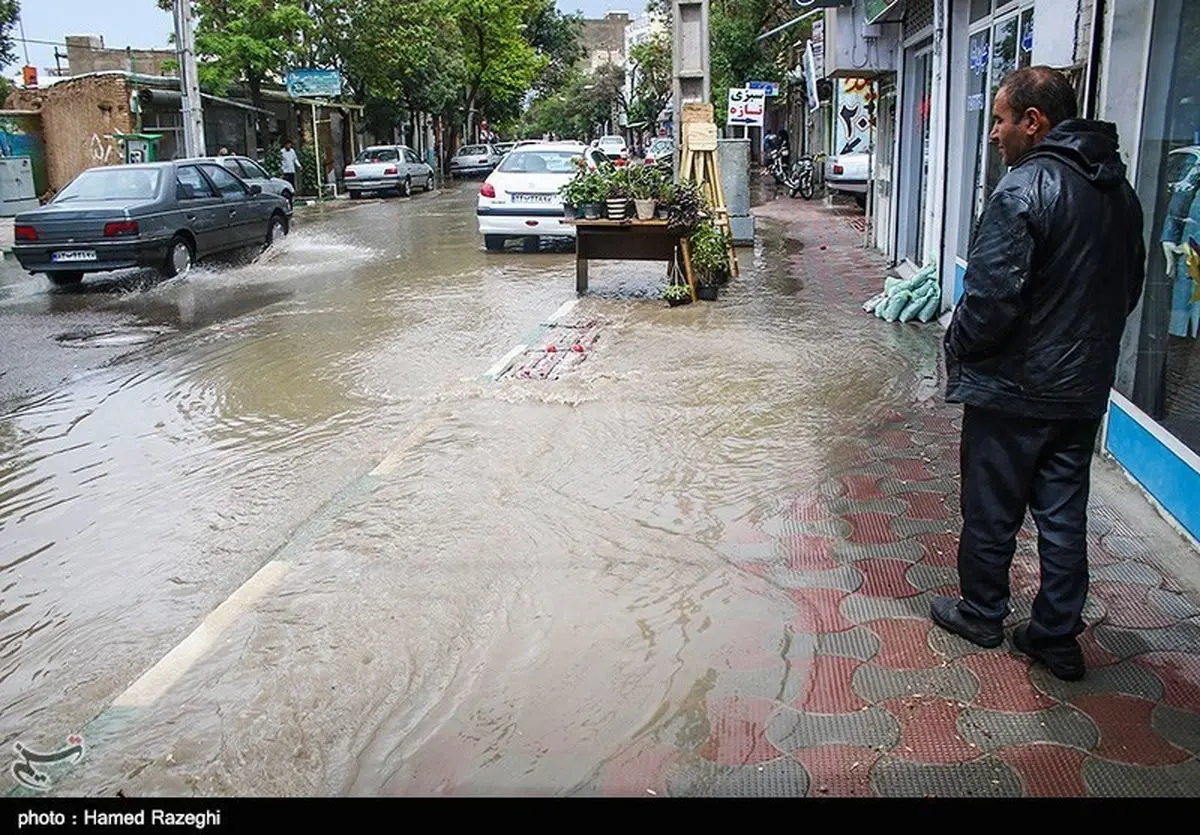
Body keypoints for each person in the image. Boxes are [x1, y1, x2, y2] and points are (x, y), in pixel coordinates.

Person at [930, 67, 1146, 682]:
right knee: (1062, 513)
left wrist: (961, 348)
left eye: (1000, 121)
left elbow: (991, 297)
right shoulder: (1120, 194)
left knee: (992, 509)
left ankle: (981, 611)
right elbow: (1128, 287)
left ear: (1033, 121)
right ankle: (1056, 636)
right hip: (1080, 390)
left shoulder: (1025, 188)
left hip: (1014, 389)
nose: (995, 135)